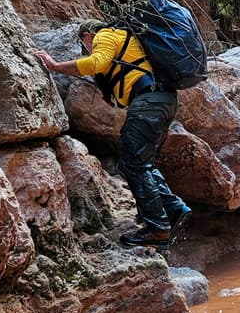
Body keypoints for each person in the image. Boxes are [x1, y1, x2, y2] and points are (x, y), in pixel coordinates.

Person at [34, 19, 191, 249]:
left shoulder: (106, 34)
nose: (87, 48)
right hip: (162, 100)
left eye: (84, 44)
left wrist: (55, 66)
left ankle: (158, 229)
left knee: (132, 164)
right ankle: (174, 209)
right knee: (140, 162)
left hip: (149, 101)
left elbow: (97, 62)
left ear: (88, 34)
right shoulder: (125, 40)